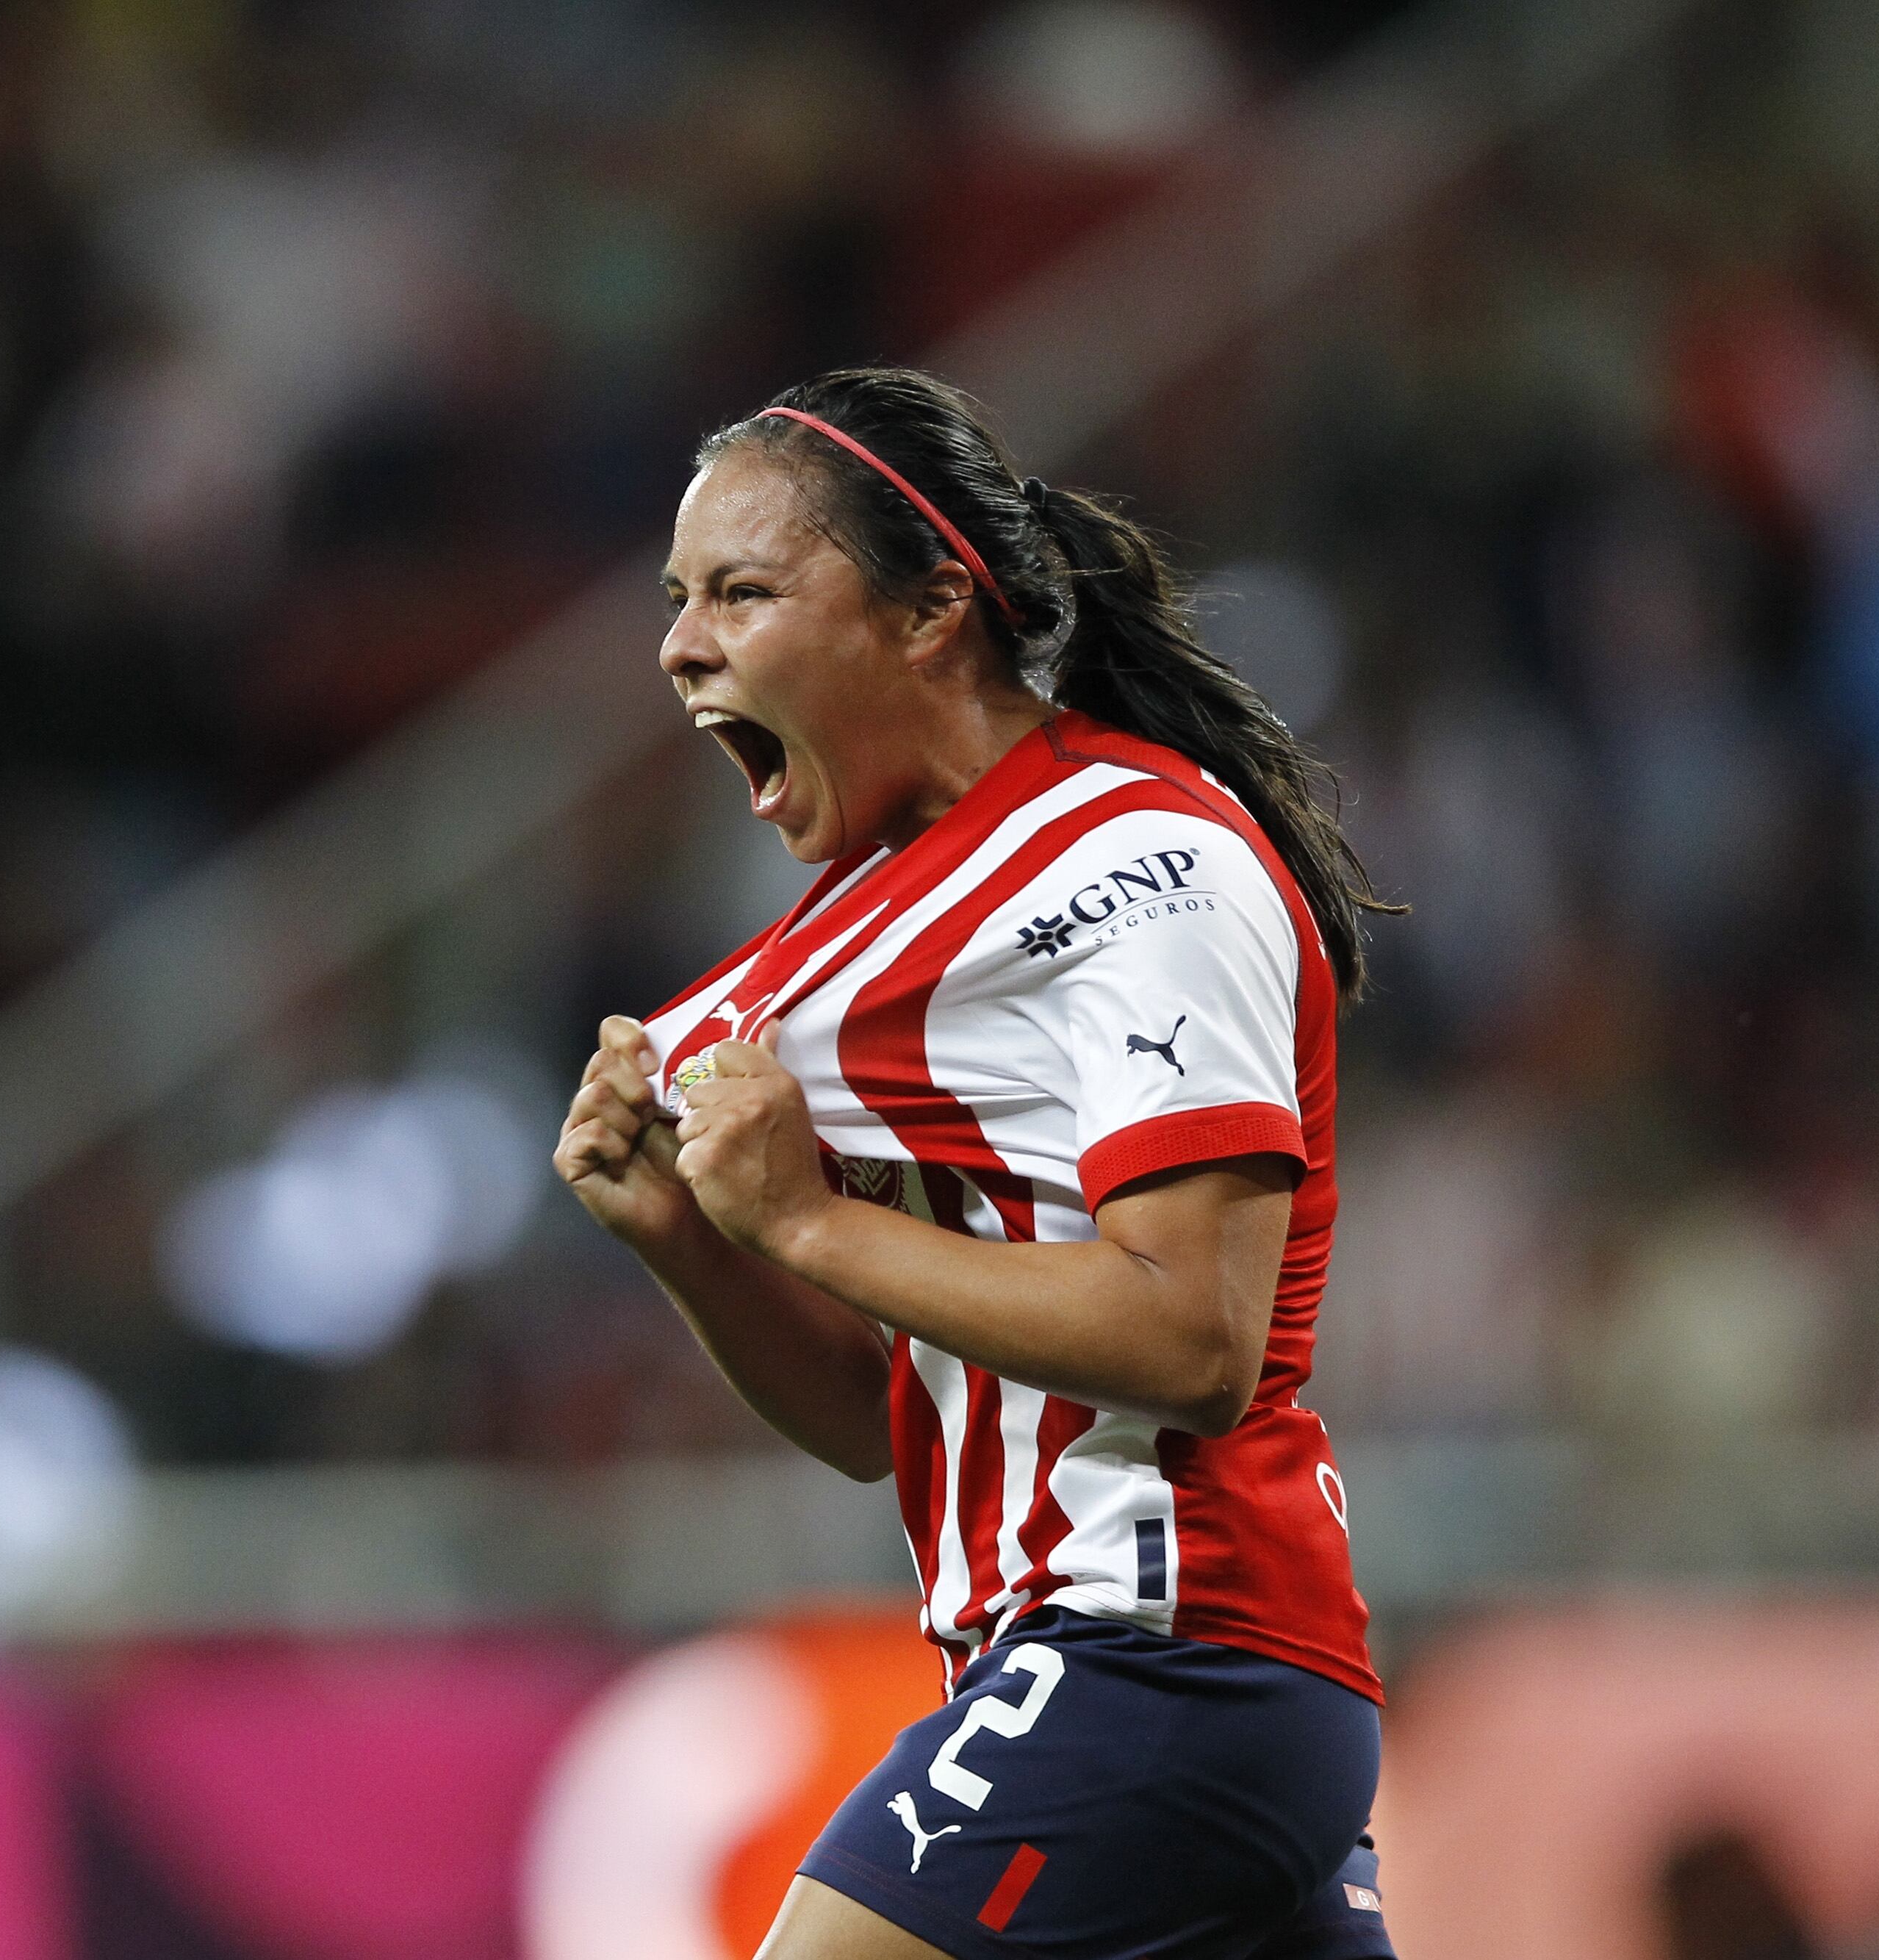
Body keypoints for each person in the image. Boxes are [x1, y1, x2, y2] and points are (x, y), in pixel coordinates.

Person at [554, 367, 1401, 1960]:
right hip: (1127, 1671)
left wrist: (800, 1212)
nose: (679, 644)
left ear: (932, 603)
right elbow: (867, 1426)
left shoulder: (1140, 864)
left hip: (1166, 1649)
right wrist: (689, 1235)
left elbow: (1190, 1340)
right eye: (676, 598)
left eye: (742, 589)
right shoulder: (865, 922)